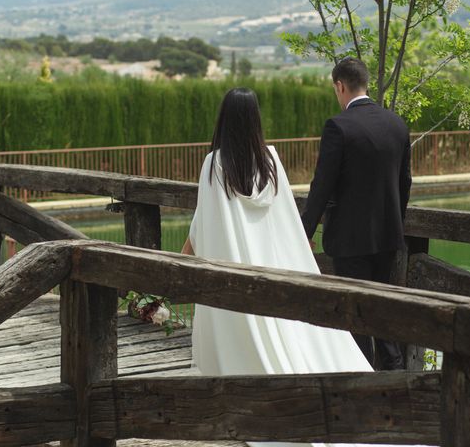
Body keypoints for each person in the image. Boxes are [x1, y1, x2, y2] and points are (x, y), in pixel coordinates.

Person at [182, 88, 426, 447]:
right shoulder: (271, 161)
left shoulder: (214, 165)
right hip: (274, 270)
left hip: (237, 274)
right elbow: (284, 221)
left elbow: (207, 222)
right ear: (255, 121)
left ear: (223, 119)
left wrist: (186, 254)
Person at [301, 57, 412, 371]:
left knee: (356, 317)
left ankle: (365, 396)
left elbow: (322, 186)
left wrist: (304, 232)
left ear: (340, 86)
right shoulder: (397, 123)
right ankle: (395, 380)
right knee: (383, 313)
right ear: (366, 83)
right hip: (389, 237)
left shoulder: (339, 127)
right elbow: (405, 182)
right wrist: (396, 223)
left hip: (350, 240)